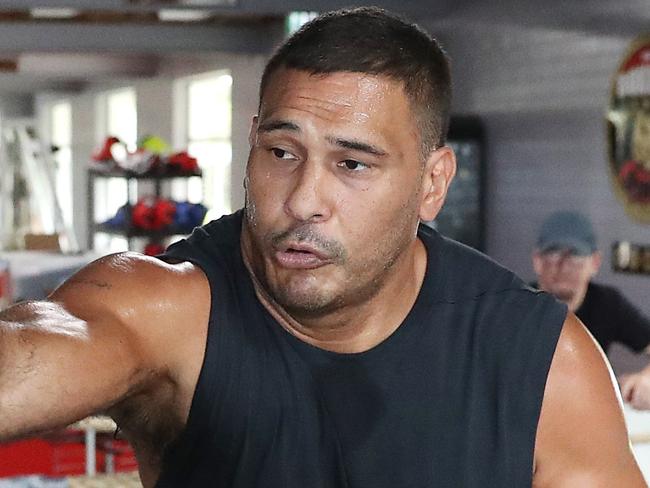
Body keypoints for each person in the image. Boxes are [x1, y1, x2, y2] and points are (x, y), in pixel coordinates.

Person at [0, 7, 645, 487]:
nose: (304, 198)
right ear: (252, 144)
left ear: (432, 184)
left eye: (353, 165)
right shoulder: (171, 307)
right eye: (282, 152)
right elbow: (48, 344)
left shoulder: (542, 364)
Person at [533, 210, 650, 410]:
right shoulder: (517, 308)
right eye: (553, 254)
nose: (564, 266)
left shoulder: (608, 304)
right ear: (537, 261)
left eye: (575, 255)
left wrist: (646, 379)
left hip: (588, 419)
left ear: (595, 262)